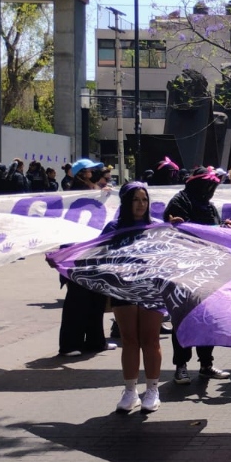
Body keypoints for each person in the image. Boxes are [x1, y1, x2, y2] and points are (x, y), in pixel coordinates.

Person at [164, 167, 231, 384]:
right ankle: (181, 365)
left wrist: (224, 228)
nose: (209, 190)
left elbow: (214, 231)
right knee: (182, 318)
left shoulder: (209, 206)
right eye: (206, 185)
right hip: (184, 270)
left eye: (213, 187)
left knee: (207, 317)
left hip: (208, 269)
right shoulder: (179, 201)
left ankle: (206, 364)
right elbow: (171, 230)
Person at [102, 182, 163, 414]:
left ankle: (152, 390)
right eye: (136, 200)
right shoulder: (114, 227)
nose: (141, 204)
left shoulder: (156, 227)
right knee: (129, 340)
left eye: (144, 200)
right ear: (126, 202)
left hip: (151, 289)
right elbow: (95, 252)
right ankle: (130, 391)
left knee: (150, 339)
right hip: (123, 288)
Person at [57, 158, 113, 357]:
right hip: (77, 255)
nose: (95, 173)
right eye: (91, 171)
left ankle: (95, 341)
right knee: (77, 301)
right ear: (82, 174)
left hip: (96, 253)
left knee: (96, 299)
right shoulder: (74, 196)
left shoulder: (96, 192)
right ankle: (70, 344)